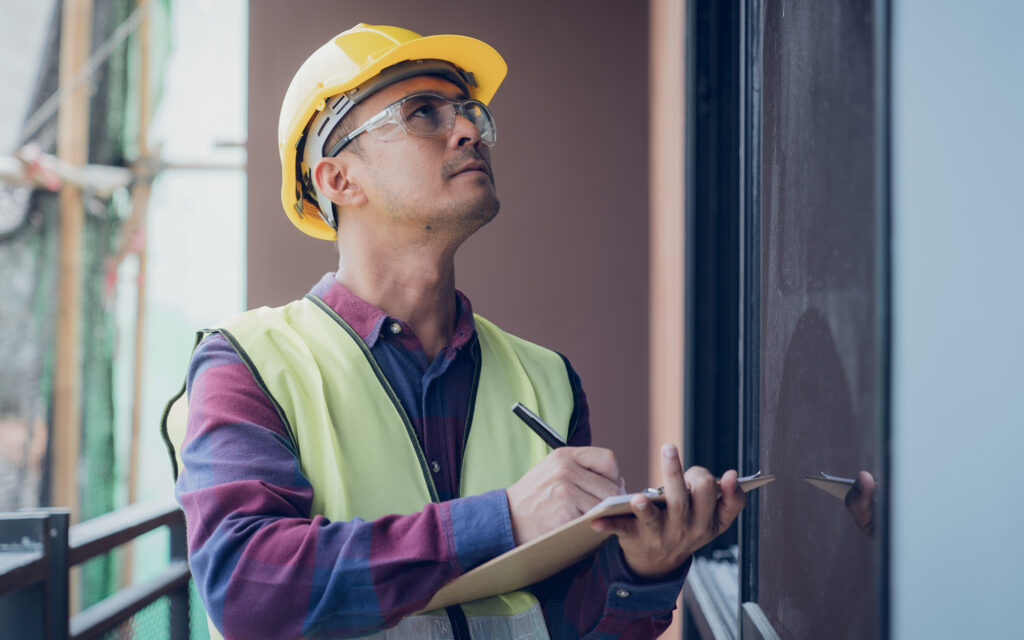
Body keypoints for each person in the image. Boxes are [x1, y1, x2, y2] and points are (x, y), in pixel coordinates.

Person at [161, 23, 746, 640]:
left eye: (469, 113)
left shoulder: (549, 381)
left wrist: (643, 568)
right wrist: (504, 520)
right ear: (338, 180)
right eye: (423, 114)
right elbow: (247, 589)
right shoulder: (247, 365)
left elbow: (571, 624)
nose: (469, 130)